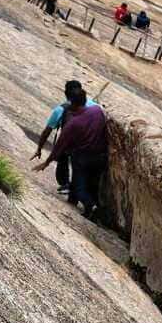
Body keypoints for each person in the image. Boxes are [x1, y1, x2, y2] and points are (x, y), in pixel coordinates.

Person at [33, 88, 108, 219]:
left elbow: (59, 147)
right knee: (92, 184)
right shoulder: (98, 111)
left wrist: (46, 162)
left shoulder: (73, 123)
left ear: (72, 104)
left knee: (78, 187)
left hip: (83, 157)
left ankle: (92, 207)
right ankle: (85, 204)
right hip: (101, 157)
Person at [31, 81, 98, 200]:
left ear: (66, 93)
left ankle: (66, 184)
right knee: (82, 173)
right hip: (92, 144)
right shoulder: (95, 107)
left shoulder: (61, 109)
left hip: (70, 145)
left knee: (63, 158)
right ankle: (80, 195)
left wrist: (39, 149)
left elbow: (48, 131)